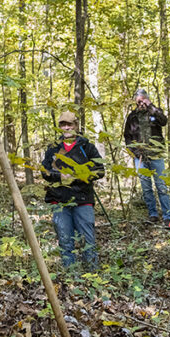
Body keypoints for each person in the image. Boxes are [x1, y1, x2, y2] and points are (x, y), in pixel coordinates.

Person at [41, 110, 105, 270]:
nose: (67, 128)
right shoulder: (53, 148)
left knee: (87, 241)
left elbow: (100, 170)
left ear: (76, 126)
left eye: (70, 124)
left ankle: (92, 277)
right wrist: (59, 176)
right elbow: (44, 171)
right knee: (64, 240)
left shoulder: (87, 147)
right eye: (63, 124)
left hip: (83, 200)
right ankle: (70, 277)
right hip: (59, 200)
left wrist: (77, 176)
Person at [123, 88, 170, 226]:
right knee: (146, 187)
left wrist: (150, 106)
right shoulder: (132, 117)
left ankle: (167, 215)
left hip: (156, 155)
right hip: (140, 158)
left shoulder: (155, 112)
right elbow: (127, 137)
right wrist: (135, 152)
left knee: (161, 186)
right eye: (138, 101)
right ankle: (153, 214)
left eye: (143, 100)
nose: (141, 103)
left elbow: (164, 121)